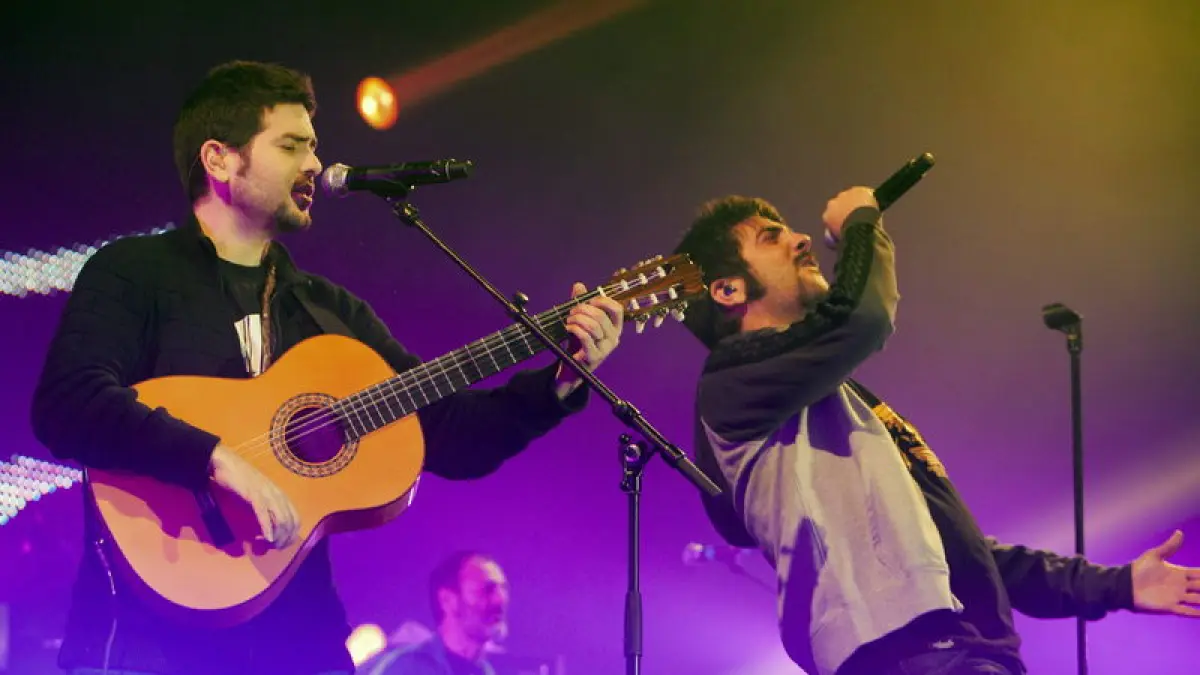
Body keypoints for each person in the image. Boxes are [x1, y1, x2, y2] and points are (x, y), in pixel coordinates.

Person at [29, 60, 624, 675]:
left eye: (313, 147)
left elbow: (447, 435)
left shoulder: (330, 312)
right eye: (291, 146)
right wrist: (217, 459)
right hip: (147, 641)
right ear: (220, 159)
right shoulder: (135, 272)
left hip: (300, 642)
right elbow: (68, 402)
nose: (315, 164)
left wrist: (559, 384)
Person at [671, 189, 1199, 675]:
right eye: (771, 237)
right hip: (907, 652)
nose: (801, 239)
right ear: (728, 289)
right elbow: (860, 318)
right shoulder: (732, 381)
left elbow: (968, 554)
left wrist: (1117, 585)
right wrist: (860, 223)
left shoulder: (844, 407)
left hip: (963, 651)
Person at [356, 552, 510, 675]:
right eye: (486, 590)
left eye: (503, 589)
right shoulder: (402, 668)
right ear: (447, 600)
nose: (500, 599)